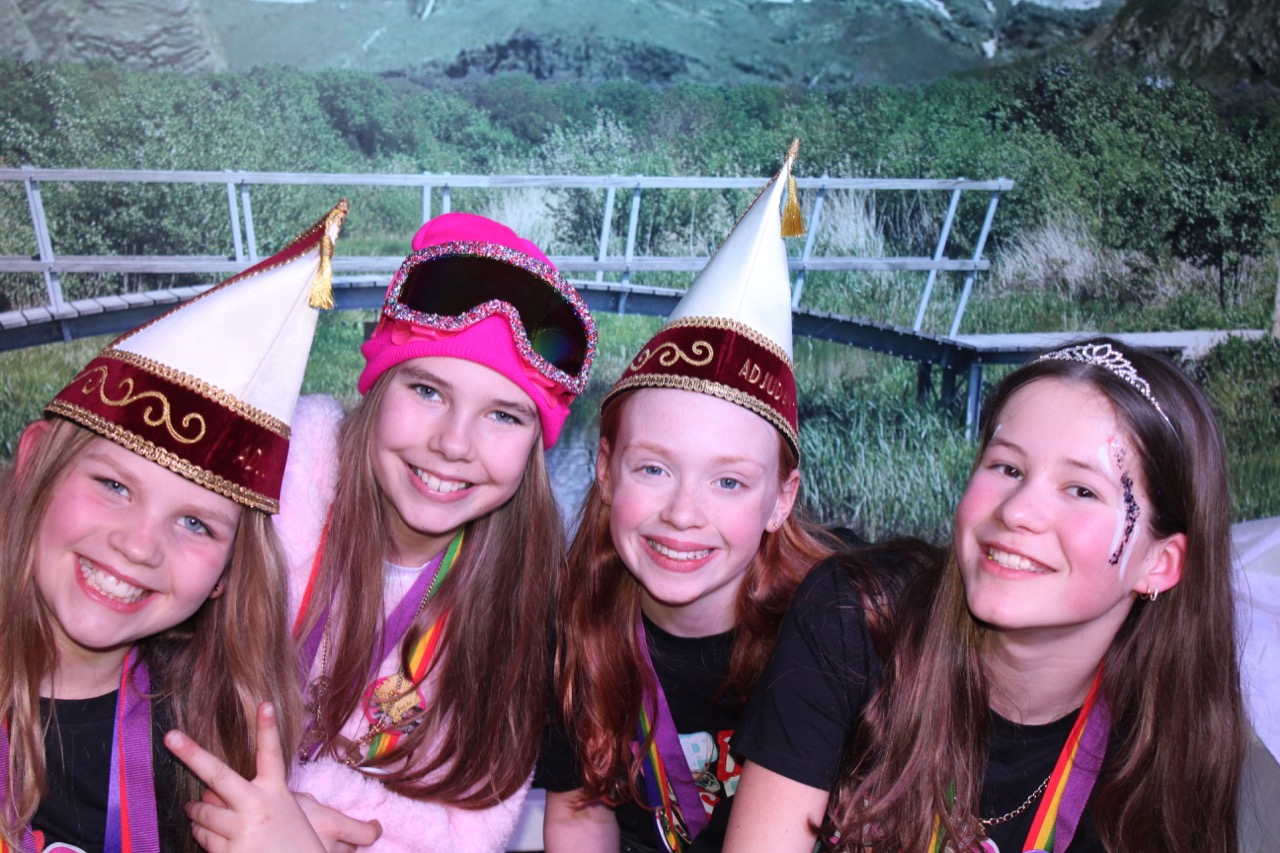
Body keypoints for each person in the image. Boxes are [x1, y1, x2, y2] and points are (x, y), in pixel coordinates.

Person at [725, 337, 1245, 852]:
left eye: (1081, 490)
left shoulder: (1165, 750)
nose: (1016, 510)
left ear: (1159, 563)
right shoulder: (856, 617)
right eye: (1007, 468)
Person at [0, 202, 364, 853]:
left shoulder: (210, 745)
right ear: (32, 466)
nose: (139, 545)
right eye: (114, 485)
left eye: (196, 523)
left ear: (228, 571)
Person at [539, 142, 855, 853]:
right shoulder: (574, 623)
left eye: (729, 481)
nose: (683, 513)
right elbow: (580, 810)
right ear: (605, 469)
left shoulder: (832, 632)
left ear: (782, 499)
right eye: (654, 469)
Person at [264, 211, 597, 852]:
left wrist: (309, 829)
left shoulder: (526, 611)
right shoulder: (275, 507)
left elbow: (470, 832)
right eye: (427, 390)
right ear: (378, 385)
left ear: (536, 446)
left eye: (503, 416)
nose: (453, 444)